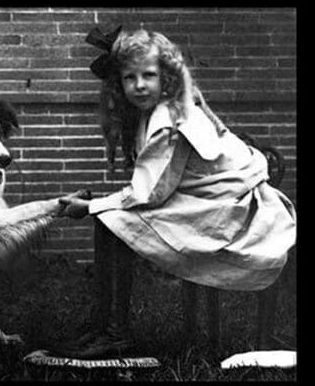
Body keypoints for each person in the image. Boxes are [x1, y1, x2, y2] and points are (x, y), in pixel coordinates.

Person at [57, 27, 297, 358]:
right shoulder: (155, 111)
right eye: (129, 78)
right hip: (208, 199)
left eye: (149, 75)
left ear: (167, 79)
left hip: (237, 211)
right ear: (118, 84)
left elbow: (149, 194)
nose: (139, 85)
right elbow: (154, 184)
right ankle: (104, 325)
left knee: (108, 219)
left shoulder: (171, 119)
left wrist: (89, 206)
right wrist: (98, 205)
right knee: (108, 217)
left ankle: (114, 332)